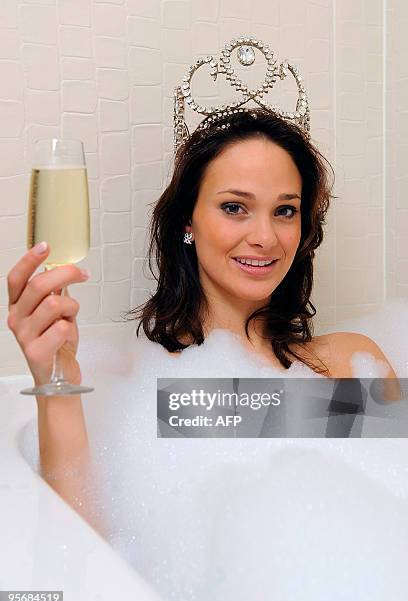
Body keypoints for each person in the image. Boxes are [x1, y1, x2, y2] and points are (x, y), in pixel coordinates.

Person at [6, 110, 398, 533]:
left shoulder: (350, 363)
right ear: (188, 222)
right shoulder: (135, 391)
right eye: (235, 207)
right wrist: (56, 380)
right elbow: (85, 550)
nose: (265, 237)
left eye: (285, 211)